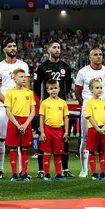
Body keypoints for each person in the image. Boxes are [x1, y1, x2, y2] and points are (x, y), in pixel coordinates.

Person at [33, 41, 74, 178]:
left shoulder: (66, 68)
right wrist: (46, 100)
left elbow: (68, 87)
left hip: (60, 106)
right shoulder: (42, 67)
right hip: (47, 106)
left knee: (63, 140)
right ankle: (41, 170)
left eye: (59, 48)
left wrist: (60, 98)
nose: (57, 50)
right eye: (54, 47)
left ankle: (65, 169)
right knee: (43, 140)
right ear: (48, 49)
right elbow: (36, 86)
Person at [0, 39, 30, 179]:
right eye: (10, 46)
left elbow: (27, 87)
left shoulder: (23, 65)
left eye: (14, 46)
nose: (13, 48)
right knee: (1, 139)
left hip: (22, 109)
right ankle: (0, 170)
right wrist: (9, 104)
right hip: (4, 107)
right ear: (4, 49)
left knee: (22, 141)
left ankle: (22, 171)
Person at [74, 48, 105, 178]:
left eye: (100, 54)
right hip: (89, 108)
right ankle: (84, 169)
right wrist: (84, 104)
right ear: (90, 57)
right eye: (95, 55)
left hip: (104, 109)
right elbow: (77, 90)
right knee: (85, 139)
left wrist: (104, 102)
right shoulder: (83, 72)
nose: (99, 57)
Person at [4, 69, 35, 182]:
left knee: (24, 148)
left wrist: (26, 124)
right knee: (13, 148)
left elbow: (33, 111)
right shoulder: (10, 93)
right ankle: (14, 174)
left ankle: (24, 173)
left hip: (26, 121)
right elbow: (8, 111)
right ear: (14, 78)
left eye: (25, 77)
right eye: (21, 77)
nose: (24, 79)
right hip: (14, 122)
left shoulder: (29, 93)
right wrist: (17, 124)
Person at [39, 79, 69, 181]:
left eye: (55, 88)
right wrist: (42, 132)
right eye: (51, 89)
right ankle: (46, 174)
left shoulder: (63, 103)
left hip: (59, 130)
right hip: (48, 130)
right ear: (47, 90)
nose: (54, 90)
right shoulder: (44, 103)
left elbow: (66, 118)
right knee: (47, 153)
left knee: (58, 153)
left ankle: (58, 174)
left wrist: (66, 131)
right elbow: (41, 118)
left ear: (59, 89)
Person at [85, 79, 105, 181]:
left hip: (104, 129)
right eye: (97, 88)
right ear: (91, 90)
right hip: (93, 129)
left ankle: (102, 173)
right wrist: (97, 129)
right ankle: (94, 173)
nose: (99, 90)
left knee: (102, 151)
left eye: (101, 88)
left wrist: (104, 128)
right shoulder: (89, 103)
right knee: (92, 151)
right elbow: (89, 116)